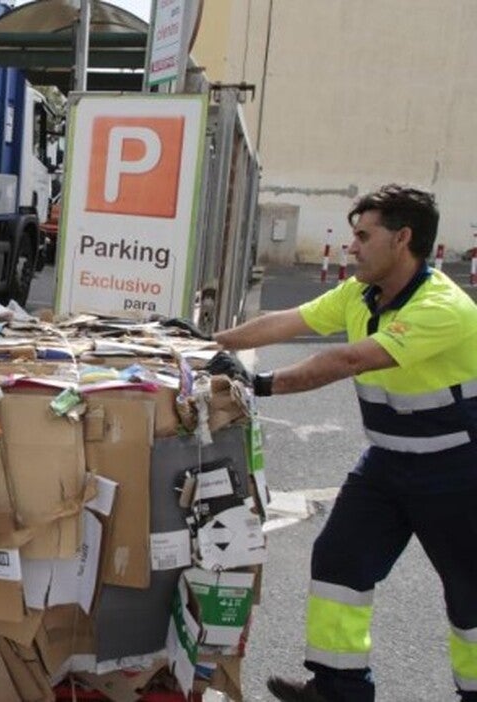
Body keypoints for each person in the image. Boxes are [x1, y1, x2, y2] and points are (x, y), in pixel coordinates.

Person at [214, 185, 477, 702]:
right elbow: (284, 321)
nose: (351, 247)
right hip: (386, 463)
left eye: (363, 235)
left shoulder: (443, 307)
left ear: (402, 239)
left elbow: (349, 360)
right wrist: (210, 343)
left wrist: (260, 384)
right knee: (339, 561)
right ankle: (339, 688)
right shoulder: (360, 294)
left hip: (458, 470)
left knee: (470, 595)